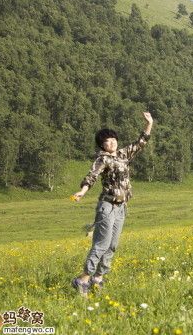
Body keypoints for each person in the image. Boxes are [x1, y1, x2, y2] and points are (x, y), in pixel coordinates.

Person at [70, 112, 153, 296]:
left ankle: (98, 278)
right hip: (107, 206)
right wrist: (82, 192)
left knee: (113, 244)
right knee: (101, 244)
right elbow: (91, 176)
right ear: (102, 145)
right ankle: (82, 280)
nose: (112, 142)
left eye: (113, 139)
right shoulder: (103, 159)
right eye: (107, 141)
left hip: (121, 207)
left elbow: (141, 142)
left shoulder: (123, 155)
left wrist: (149, 123)